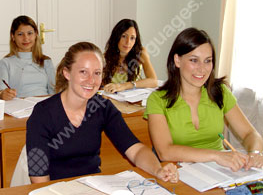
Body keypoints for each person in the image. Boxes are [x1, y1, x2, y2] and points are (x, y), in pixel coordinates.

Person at [26, 41, 178, 184]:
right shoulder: (42, 113)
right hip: (56, 191)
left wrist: (157, 170)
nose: (91, 80)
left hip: (94, 189)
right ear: (67, 73)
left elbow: (135, 149)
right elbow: (38, 177)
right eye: (83, 72)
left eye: (97, 73)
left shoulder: (102, 107)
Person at [144, 27, 263, 172]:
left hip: (220, 172)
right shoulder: (157, 100)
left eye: (208, 61)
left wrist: (255, 153)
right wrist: (216, 156)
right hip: (179, 172)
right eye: (194, 60)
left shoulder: (220, 92)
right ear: (177, 60)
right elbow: (165, 152)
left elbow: (250, 134)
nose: (202, 69)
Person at [0, 15, 55, 100]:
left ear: (36, 34)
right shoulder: (6, 63)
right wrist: (3, 94)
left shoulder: (46, 61)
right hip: (19, 108)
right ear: (13, 36)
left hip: (44, 106)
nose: (26, 38)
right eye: (20, 34)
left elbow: (54, 91)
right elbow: (2, 90)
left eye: (30, 33)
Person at [103, 19, 158, 93]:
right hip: (112, 99)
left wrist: (125, 85)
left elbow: (153, 81)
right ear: (116, 37)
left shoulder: (141, 53)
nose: (128, 42)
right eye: (124, 36)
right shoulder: (106, 57)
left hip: (133, 101)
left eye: (132, 38)